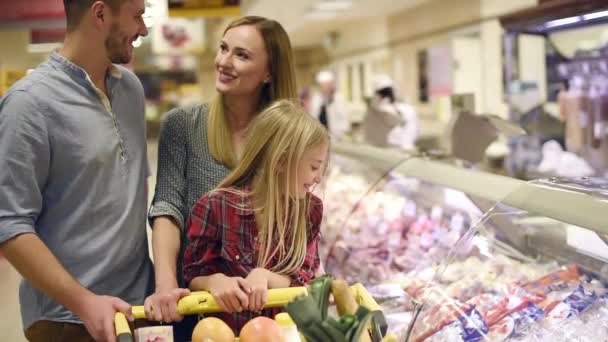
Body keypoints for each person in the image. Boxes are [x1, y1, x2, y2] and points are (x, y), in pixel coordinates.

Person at [0, 1, 151, 341]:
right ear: (100, 14)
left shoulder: (131, 90)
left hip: (138, 310)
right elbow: (9, 224)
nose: (143, 29)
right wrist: (84, 303)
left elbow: (135, 190)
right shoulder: (28, 104)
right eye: (137, 16)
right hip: (67, 320)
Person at [144, 16, 298, 340]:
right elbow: (168, 208)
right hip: (199, 308)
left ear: (269, 72)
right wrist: (167, 287)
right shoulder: (183, 125)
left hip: (269, 311)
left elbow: (298, 226)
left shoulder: (286, 137)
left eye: (241, 55)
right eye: (224, 49)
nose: (224, 62)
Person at [183, 100, 328, 333]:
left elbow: (305, 278)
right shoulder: (215, 206)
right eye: (314, 167)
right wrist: (214, 281)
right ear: (280, 160)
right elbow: (193, 272)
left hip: (287, 334)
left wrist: (265, 276)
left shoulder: (310, 210)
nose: (319, 177)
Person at [362, 74, 418, 149]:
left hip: (395, 149)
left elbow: (399, 121)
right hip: (401, 149)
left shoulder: (382, 110)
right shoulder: (406, 109)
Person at [309, 70, 350, 139]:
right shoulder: (316, 99)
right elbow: (313, 117)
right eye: (323, 85)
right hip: (319, 135)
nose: (326, 87)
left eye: (328, 85)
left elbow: (344, 119)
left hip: (336, 136)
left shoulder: (338, 98)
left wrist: (340, 132)